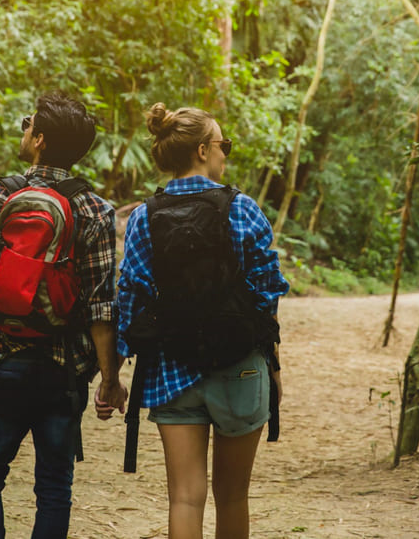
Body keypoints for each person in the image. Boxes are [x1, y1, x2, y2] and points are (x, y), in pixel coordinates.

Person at [0, 91, 128, 539]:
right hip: (64, 369)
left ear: (40, 139)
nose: (24, 128)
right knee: (53, 487)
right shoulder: (95, 209)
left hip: (3, 357)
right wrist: (110, 378)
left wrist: (4, 286)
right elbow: (102, 306)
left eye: (28, 123)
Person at [113, 103, 288, 539]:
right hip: (240, 366)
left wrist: (110, 374)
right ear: (205, 149)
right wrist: (275, 365)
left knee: (185, 499)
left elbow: (130, 298)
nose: (225, 153)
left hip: (170, 369)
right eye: (223, 145)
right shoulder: (242, 208)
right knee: (232, 496)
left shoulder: (142, 217)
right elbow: (267, 294)